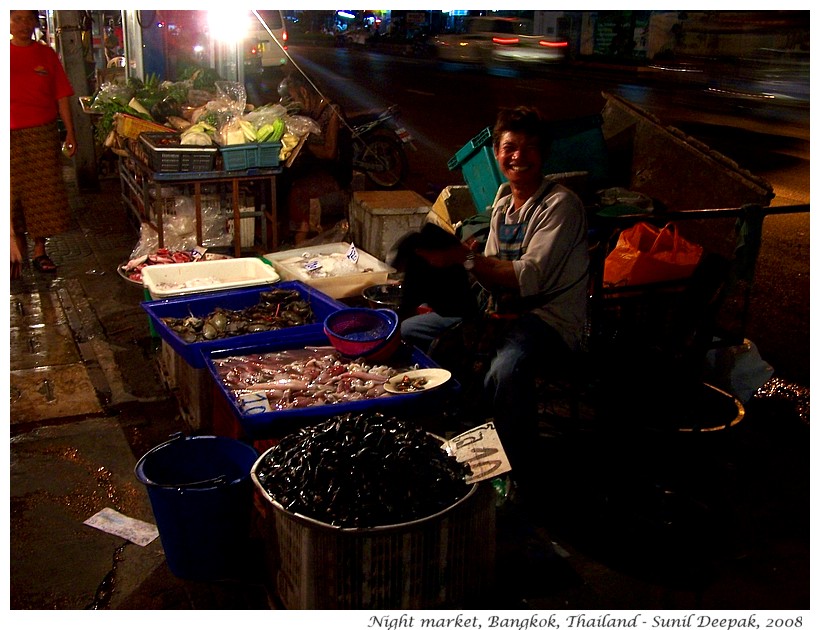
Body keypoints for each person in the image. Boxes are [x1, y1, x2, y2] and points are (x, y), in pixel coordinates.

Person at [401, 105, 590, 492]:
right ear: (498, 154)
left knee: (505, 370)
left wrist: (465, 258)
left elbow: (526, 277)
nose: (518, 156)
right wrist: (452, 267)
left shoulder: (561, 205)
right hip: (501, 314)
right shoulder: (503, 205)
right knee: (410, 332)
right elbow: (486, 276)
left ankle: (516, 469)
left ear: (543, 154)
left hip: (549, 323)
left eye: (528, 148)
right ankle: (446, 428)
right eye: (509, 147)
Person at [10, 9, 77, 274]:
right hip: (9, 135)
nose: (23, 24)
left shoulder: (46, 54)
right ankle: (14, 252)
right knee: (10, 194)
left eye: (29, 19)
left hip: (42, 134)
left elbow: (62, 96)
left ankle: (39, 251)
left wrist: (70, 132)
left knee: (42, 194)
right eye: (17, 18)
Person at [277, 72, 352, 244]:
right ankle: (291, 233)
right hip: (316, 169)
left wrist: (305, 142)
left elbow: (329, 152)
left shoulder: (332, 110)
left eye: (293, 97)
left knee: (298, 190)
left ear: (304, 92)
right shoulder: (308, 111)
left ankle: (300, 238)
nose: (293, 102)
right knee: (283, 180)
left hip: (335, 173)